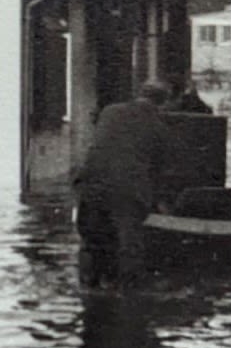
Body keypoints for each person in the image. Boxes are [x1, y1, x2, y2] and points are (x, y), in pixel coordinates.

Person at [73, 80, 175, 288]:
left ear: (138, 94)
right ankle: (127, 296)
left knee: (91, 240)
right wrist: (160, 203)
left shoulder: (110, 111)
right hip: (128, 189)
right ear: (164, 104)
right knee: (129, 245)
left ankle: (87, 287)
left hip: (90, 182)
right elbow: (159, 172)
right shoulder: (160, 128)